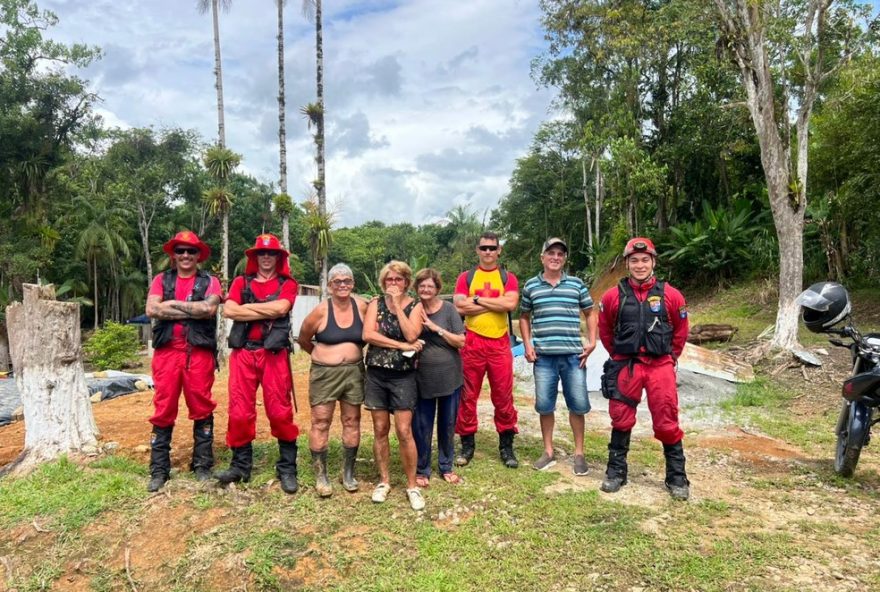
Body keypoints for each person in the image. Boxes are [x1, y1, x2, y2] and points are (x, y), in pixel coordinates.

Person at [597, 237, 691, 500]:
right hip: (626, 365)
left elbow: (681, 330)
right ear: (627, 263)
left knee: (666, 420)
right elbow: (603, 328)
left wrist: (671, 357)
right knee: (621, 418)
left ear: (653, 262)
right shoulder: (612, 296)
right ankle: (616, 471)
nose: (640, 265)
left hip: (660, 365)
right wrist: (615, 354)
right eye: (634, 260)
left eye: (645, 260)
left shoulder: (671, 295)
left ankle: (676, 477)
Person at [216, 234, 300, 494]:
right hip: (243, 354)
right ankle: (241, 466)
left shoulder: (288, 283)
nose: (266, 258)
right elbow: (229, 311)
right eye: (261, 254)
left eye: (271, 253)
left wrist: (249, 309)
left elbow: (282, 309)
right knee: (239, 411)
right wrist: (268, 309)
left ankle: (287, 467)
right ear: (255, 258)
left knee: (279, 410)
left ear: (278, 257)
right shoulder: (241, 282)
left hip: (274, 355)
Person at [144, 230, 222, 492]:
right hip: (167, 352)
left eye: (191, 251)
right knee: (163, 406)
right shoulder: (160, 280)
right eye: (180, 251)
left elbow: (208, 309)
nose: (186, 255)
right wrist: (191, 309)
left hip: (198, 353)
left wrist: (172, 305)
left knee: (201, 404)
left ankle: (202, 465)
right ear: (173, 255)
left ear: (198, 255)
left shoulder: (209, 281)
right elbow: (152, 309)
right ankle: (159, 469)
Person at [519, 238, 598, 475]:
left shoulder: (576, 285)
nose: (555, 257)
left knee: (578, 405)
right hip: (543, 358)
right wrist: (527, 344)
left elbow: (589, 313)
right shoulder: (531, 286)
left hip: (574, 356)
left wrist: (593, 341)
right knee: (545, 406)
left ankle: (579, 454)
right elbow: (524, 316)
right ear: (542, 257)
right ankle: (548, 451)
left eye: (560, 254)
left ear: (564, 259)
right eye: (551, 253)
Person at [297, 263, 368, 497]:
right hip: (325, 374)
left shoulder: (362, 306)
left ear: (353, 283)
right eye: (337, 281)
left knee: (352, 419)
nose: (342, 285)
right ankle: (321, 474)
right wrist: (324, 356)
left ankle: (348, 472)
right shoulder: (320, 311)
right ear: (329, 286)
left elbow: (369, 333)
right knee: (321, 420)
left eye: (347, 280)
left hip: (354, 372)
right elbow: (305, 338)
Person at [362, 261, 426, 511]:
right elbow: (368, 335)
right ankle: (384, 481)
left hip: (403, 375)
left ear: (407, 282)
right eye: (389, 280)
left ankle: (412, 485)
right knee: (380, 428)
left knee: (403, 430)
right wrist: (400, 346)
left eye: (398, 279)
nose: (393, 284)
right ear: (383, 282)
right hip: (377, 373)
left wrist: (398, 306)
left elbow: (412, 334)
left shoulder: (415, 305)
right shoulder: (375, 303)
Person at [453, 232, 520, 468]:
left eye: (492, 248)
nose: (488, 252)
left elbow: (510, 304)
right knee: (467, 395)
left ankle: (506, 446)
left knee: (503, 396)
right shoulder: (467, 277)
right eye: (484, 248)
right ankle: (467, 444)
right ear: (477, 251)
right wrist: (495, 304)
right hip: (472, 342)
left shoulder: (507, 277)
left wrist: (478, 301)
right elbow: (459, 306)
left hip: (500, 342)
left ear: (499, 250)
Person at [412, 268, 466, 487]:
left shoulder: (449, 310)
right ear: (417, 288)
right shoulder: (413, 309)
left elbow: (460, 341)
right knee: (422, 425)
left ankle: (446, 465)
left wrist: (435, 328)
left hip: (449, 376)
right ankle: (422, 469)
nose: (426, 289)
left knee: (447, 423)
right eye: (422, 286)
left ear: (437, 289)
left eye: (430, 286)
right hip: (421, 377)